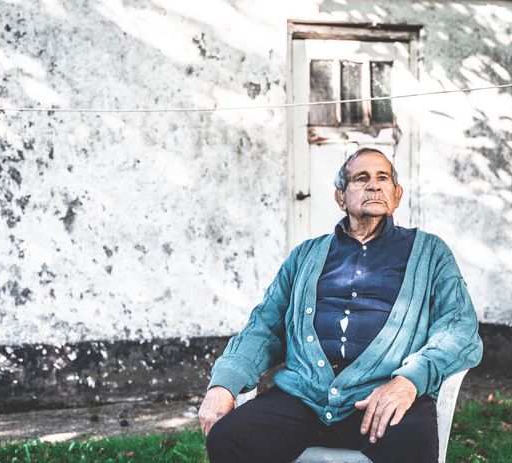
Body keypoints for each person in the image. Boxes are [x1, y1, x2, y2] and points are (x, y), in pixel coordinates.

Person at [198, 147, 483, 463]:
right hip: (303, 395)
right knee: (230, 438)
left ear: (397, 194)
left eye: (382, 178)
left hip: (381, 394)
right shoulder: (305, 256)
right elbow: (263, 328)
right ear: (340, 197)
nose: (373, 185)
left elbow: (459, 331)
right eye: (361, 178)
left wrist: (408, 381)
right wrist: (223, 385)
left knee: (412, 441)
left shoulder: (431, 254)